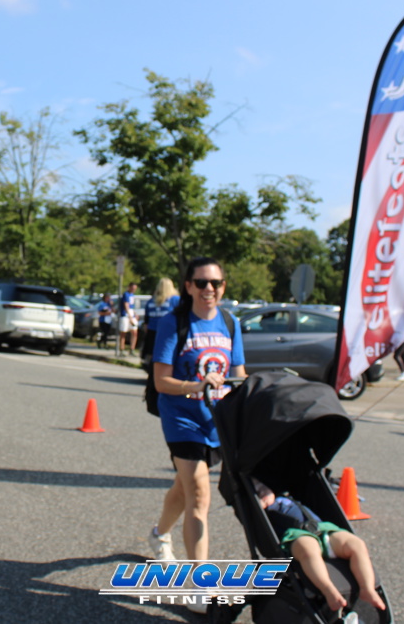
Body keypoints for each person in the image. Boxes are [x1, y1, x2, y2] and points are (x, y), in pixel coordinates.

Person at [148, 257, 246, 614]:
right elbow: (161, 381)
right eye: (201, 282)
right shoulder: (173, 323)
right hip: (182, 419)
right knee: (200, 494)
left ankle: (159, 534)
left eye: (216, 283)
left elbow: (239, 373)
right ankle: (201, 588)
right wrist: (196, 386)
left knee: (185, 487)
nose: (209, 289)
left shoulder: (230, 323)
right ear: (188, 286)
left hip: (216, 421)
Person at [252, 479, 385, 613]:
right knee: (308, 550)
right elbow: (258, 500)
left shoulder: (290, 497)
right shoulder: (267, 504)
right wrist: (262, 498)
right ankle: (329, 590)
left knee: (357, 545)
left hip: (323, 528)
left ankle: (367, 589)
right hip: (296, 534)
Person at [141, 278, 180, 370]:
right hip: (168, 333)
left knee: (153, 358)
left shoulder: (151, 301)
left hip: (152, 333)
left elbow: (146, 322)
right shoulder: (175, 300)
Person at [118, 282, 139, 355]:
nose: (133, 290)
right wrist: (130, 317)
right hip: (125, 315)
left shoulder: (132, 295)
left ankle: (132, 348)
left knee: (134, 332)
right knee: (123, 332)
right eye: (132, 288)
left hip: (131, 314)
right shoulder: (126, 294)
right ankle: (122, 349)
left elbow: (131, 307)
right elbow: (126, 305)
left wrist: (135, 314)